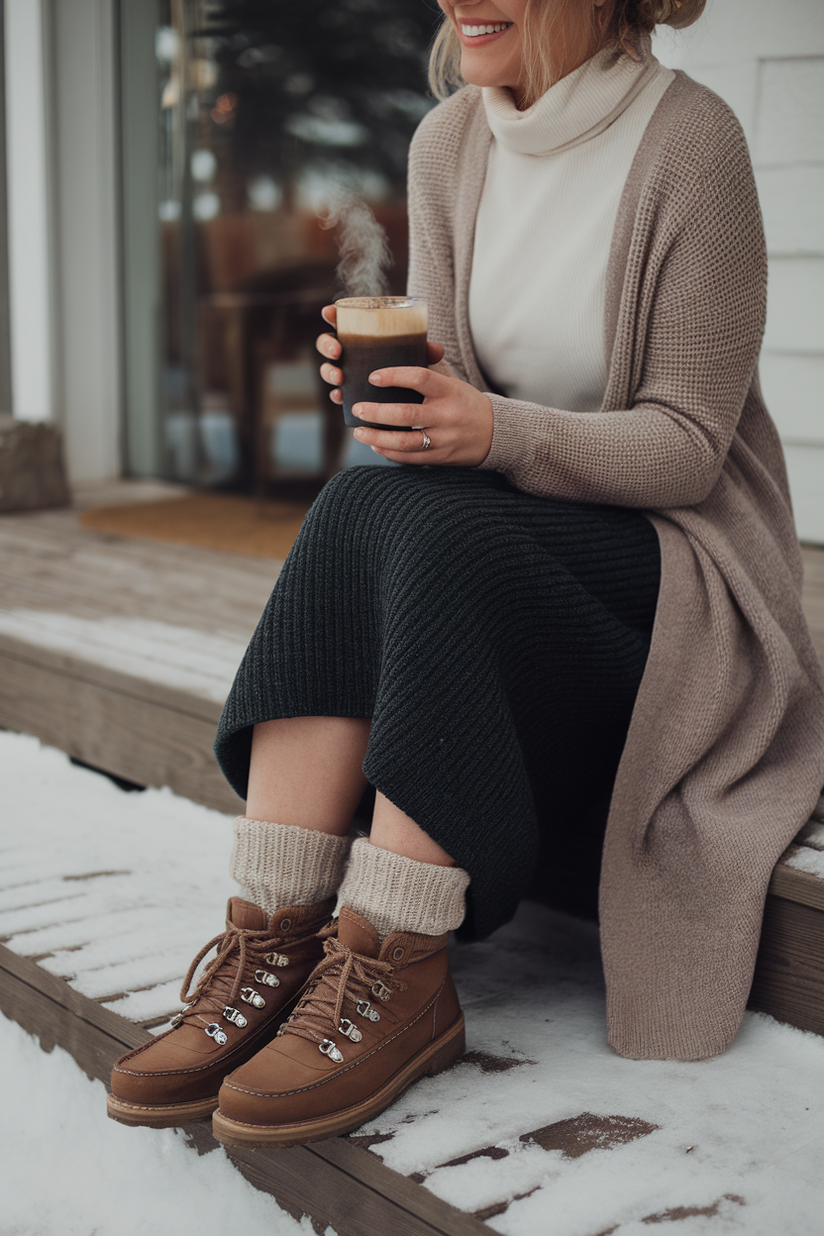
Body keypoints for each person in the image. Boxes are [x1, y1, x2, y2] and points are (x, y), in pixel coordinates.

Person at [108, 0, 824, 1147]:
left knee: (445, 535)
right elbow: (467, 404)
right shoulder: (448, 143)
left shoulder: (690, 143)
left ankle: (395, 963)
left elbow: (687, 448)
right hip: (508, 544)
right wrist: (407, 398)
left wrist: (488, 432)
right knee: (362, 500)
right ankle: (272, 936)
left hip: (675, 573)